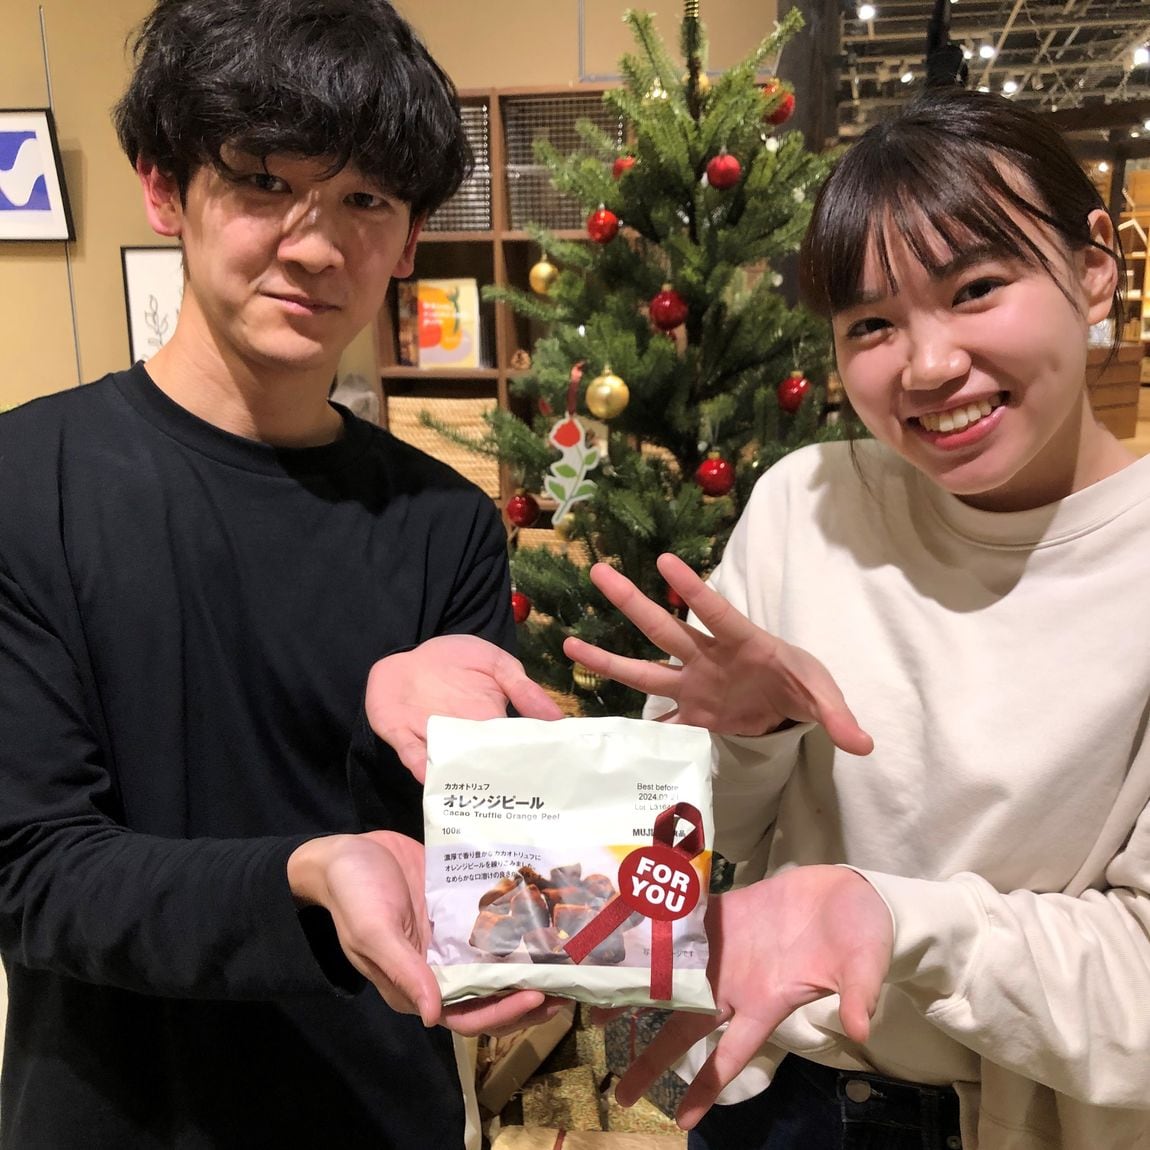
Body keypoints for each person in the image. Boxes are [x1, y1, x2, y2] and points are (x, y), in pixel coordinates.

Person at [371, 87, 1150, 1149]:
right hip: (776, 1092)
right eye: (870, 324)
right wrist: (743, 736)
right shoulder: (811, 502)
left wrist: (889, 917)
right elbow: (701, 840)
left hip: (1015, 1120)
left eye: (975, 289)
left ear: (1095, 265)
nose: (927, 366)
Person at [0, 2, 561, 1146]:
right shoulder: (25, 480)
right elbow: (31, 870)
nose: (315, 245)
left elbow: (476, 872)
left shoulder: (444, 524)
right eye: (263, 182)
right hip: (114, 1114)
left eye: (366, 200)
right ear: (165, 188)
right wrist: (304, 874)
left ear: (410, 239)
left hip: (379, 1116)